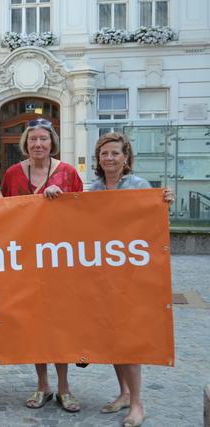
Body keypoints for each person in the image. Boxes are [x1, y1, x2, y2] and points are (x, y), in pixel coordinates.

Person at [90, 132, 173, 427]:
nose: (109, 158)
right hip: (103, 272)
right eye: (104, 154)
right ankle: (123, 393)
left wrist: (163, 201)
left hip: (131, 273)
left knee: (129, 336)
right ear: (98, 159)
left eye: (115, 153)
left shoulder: (139, 186)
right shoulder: (94, 188)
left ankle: (138, 403)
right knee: (113, 334)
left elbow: (152, 221)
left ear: (126, 158)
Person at [1, 118, 83, 413]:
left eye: (43, 139)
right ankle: (42, 384)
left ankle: (64, 387)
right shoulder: (12, 174)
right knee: (35, 324)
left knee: (59, 323)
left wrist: (60, 203)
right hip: (25, 261)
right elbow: (3, 215)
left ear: (52, 143)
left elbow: (83, 215)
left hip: (59, 261)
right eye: (33, 139)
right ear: (25, 143)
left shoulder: (68, 173)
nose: (38, 144)